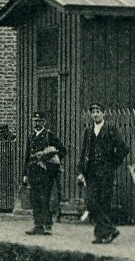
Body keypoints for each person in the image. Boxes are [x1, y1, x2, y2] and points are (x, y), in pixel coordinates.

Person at [76, 102, 128, 244]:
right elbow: (83, 152)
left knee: (104, 202)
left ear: (103, 113)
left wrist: (113, 164)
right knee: (91, 202)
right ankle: (110, 229)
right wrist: (80, 171)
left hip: (106, 172)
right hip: (91, 172)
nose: (95, 114)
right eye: (93, 112)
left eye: (98, 111)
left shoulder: (111, 129)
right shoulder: (88, 131)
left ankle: (100, 235)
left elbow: (124, 148)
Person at [21, 110, 66, 236]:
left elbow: (62, 150)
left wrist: (50, 156)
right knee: (35, 199)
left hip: (46, 172)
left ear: (44, 122)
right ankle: (38, 225)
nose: (37, 124)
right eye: (35, 121)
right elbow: (27, 157)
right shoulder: (30, 136)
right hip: (33, 172)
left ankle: (47, 226)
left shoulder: (49, 135)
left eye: (39, 121)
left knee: (45, 198)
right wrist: (24, 174)